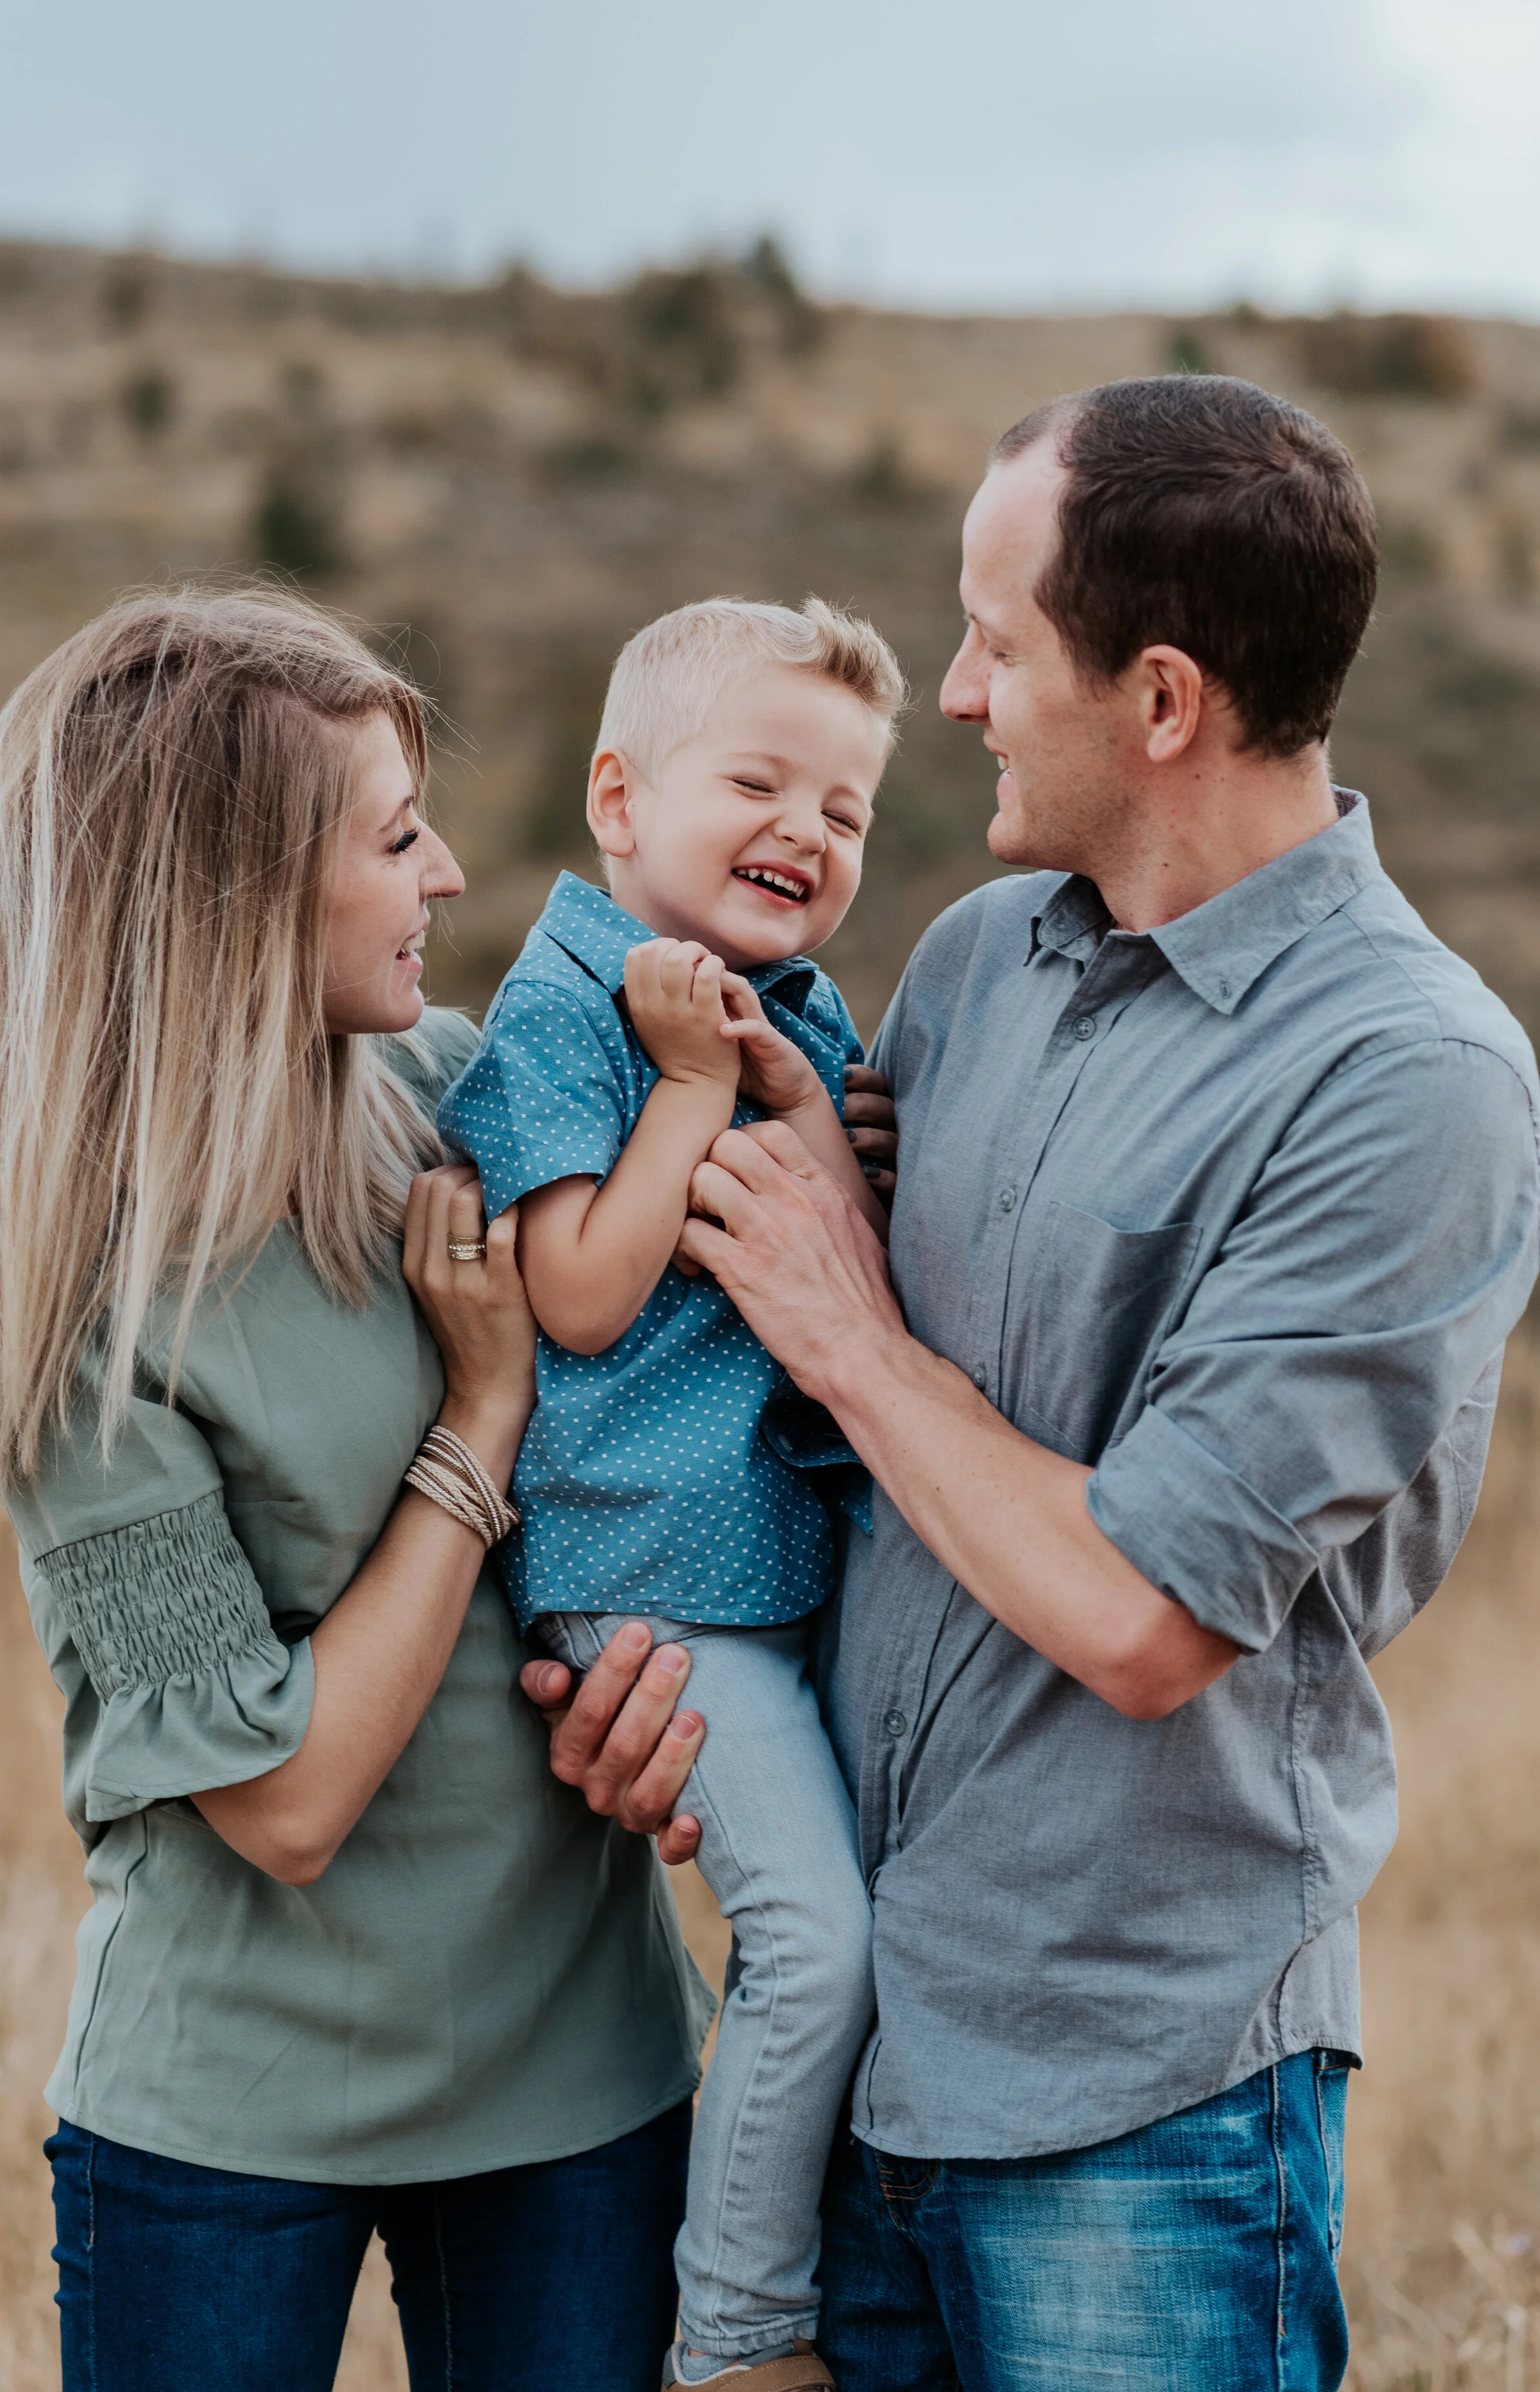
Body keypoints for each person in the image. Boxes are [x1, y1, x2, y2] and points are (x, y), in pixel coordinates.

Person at [524, 376, 1540, 2391]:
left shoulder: (1405, 1079)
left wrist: (848, 1327)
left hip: (1137, 2116)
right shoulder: (980, 963)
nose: (965, 694)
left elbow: (1137, 1616)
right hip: (854, 2060)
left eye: (998, 640)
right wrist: (668, 1699)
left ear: (1159, 701)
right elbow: (802, 1451)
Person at [0, 587, 720, 2392]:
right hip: (220, 2121)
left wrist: (686, 1697)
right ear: (229, 893)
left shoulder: (462, 1100)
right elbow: (281, 1800)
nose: (444, 874)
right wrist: (481, 1412)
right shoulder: (80, 1311)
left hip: (582, 2082)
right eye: (393, 834)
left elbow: (714, 1363)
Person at [440, 598, 904, 2391]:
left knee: (835, 1939)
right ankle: (737, 2331)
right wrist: (697, 1090)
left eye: (850, 808)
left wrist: (820, 1126)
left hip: (774, 1569)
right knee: (816, 1941)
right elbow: (579, 1293)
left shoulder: (801, 1004)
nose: (808, 828)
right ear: (618, 798)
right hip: (650, 1574)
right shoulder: (561, 1006)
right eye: (760, 781)